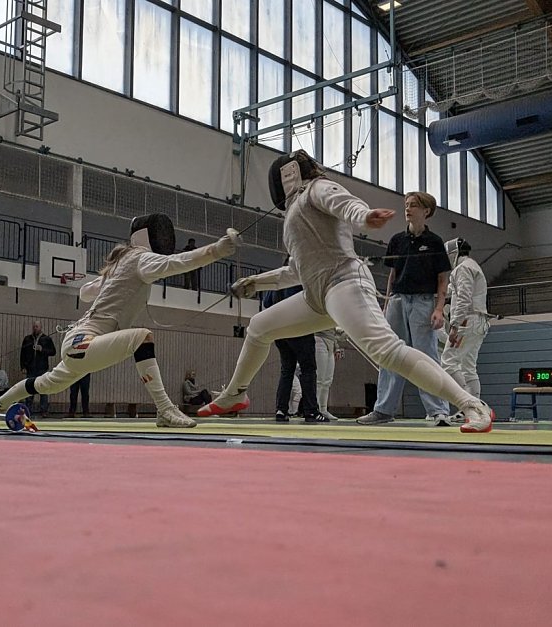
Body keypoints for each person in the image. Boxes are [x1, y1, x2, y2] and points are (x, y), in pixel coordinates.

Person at [197, 150, 494, 433]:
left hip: (345, 283)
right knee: (260, 327)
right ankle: (235, 394)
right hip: (317, 296)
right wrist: (255, 282)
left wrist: (364, 216)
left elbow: (344, 203)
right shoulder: (293, 216)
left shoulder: (316, 189)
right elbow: (299, 271)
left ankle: (472, 405)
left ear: (288, 174)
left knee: (388, 352)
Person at [0, 213, 239, 428]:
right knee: (142, 337)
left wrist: (109, 284)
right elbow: (178, 262)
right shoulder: (140, 258)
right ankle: (164, 409)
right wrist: (216, 250)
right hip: (83, 342)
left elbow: (86, 292)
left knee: (46, 384)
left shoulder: (122, 262)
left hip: (81, 341)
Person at [358, 191, 453, 427]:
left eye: (413, 206)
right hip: (398, 301)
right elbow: (393, 274)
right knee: (390, 355)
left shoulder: (434, 242)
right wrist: (387, 304)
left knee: (426, 356)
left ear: (426, 211)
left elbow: (443, 279)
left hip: (423, 302)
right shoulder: (397, 240)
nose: (408, 209)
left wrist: (439, 309)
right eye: (406, 205)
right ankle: (383, 409)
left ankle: (438, 411)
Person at [440, 238, 490, 423]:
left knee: (448, 362)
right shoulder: (472, 266)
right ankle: (475, 409)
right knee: (468, 367)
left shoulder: (463, 268)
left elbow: (463, 298)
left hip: (466, 322)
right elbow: (453, 290)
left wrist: (455, 325)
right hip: (479, 323)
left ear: (453, 253)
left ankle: (469, 406)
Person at [262, 280, 322, 423]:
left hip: (280, 330)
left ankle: (281, 410)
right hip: (299, 328)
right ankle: (311, 411)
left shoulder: (278, 279)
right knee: (308, 369)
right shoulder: (301, 279)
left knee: (287, 370)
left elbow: (266, 302)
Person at [20, 321, 56, 417]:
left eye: (37, 326)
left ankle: (44, 410)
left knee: (43, 390)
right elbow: (22, 353)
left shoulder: (46, 339)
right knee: (29, 389)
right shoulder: (27, 339)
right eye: (34, 327)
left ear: (41, 327)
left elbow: (53, 352)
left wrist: (42, 349)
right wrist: (22, 366)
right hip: (30, 368)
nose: (35, 328)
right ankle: (28, 410)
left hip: (42, 368)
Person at [315, 328, 345, 421]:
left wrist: (336, 347)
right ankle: (316, 410)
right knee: (319, 379)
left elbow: (332, 330)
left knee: (328, 380)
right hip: (319, 339)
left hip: (331, 342)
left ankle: (323, 410)